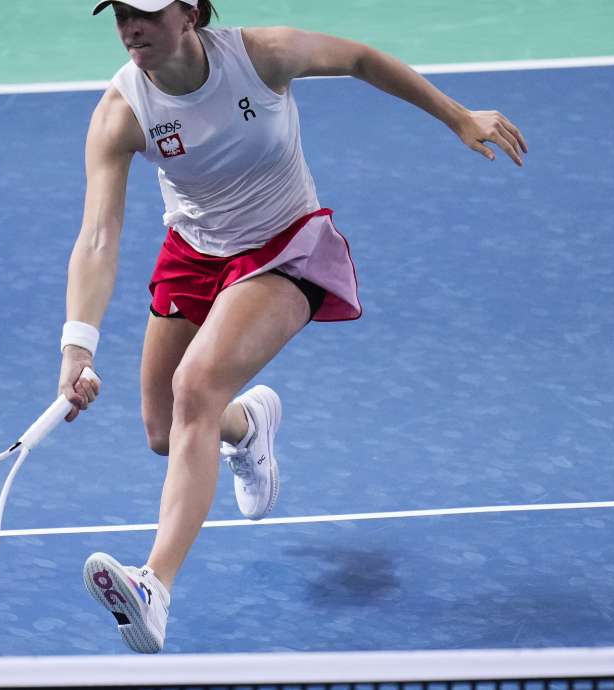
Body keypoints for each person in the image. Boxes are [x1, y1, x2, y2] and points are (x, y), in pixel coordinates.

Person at [57, 0, 527, 653]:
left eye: (147, 14)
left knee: (195, 387)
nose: (131, 28)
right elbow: (100, 235)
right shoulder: (122, 112)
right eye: (122, 16)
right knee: (165, 430)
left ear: (190, 12)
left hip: (286, 247)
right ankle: (249, 429)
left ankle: (153, 587)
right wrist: (77, 345)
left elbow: (361, 59)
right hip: (194, 253)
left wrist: (457, 117)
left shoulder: (262, 56)